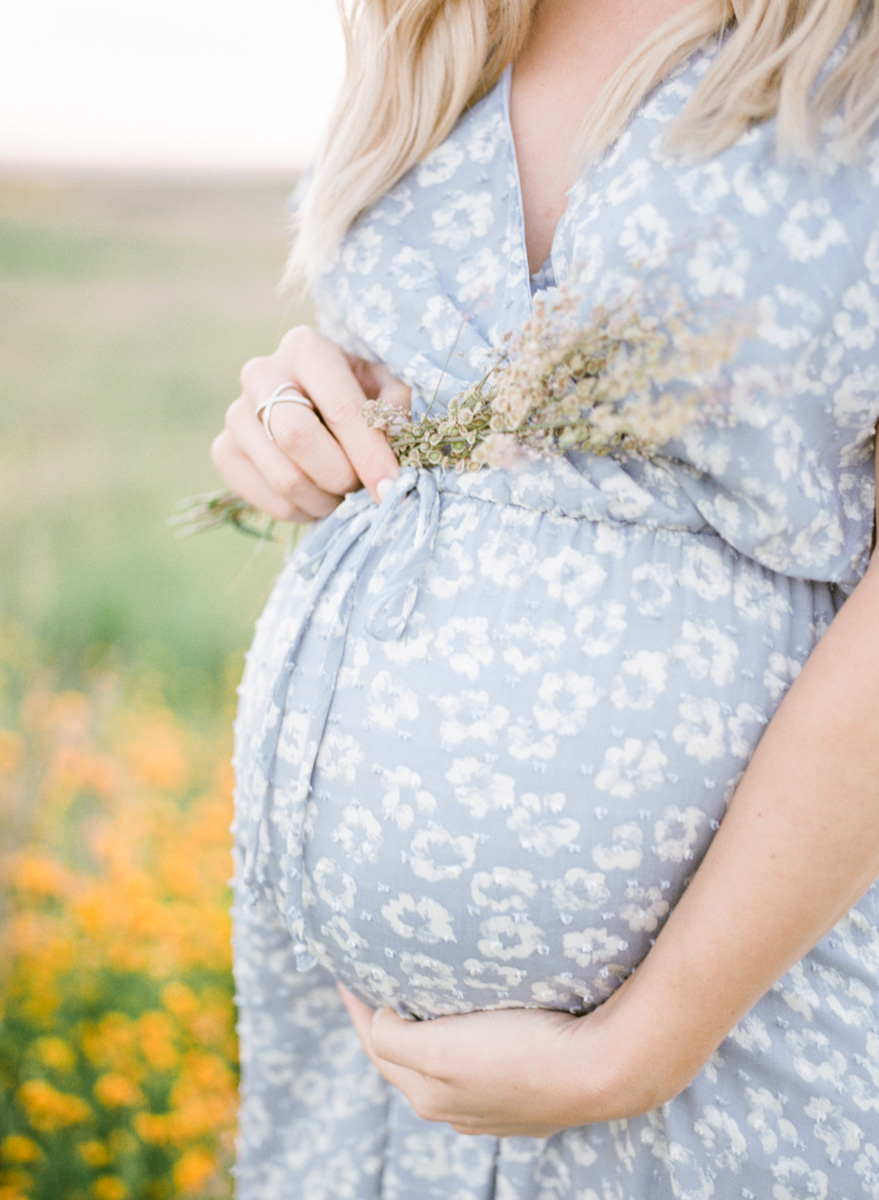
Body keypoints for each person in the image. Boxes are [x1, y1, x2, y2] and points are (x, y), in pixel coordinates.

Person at [212, 0, 879, 1195]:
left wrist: (644, 1044)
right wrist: (294, 417)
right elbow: (410, 368)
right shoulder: (436, 19)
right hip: (359, 1070)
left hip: (737, 1019)